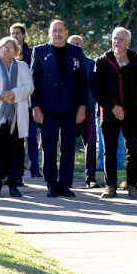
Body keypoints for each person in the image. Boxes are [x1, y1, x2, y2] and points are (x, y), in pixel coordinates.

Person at [30, 20, 89, 198]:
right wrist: (36, 107)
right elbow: (34, 81)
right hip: (47, 108)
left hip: (71, 108)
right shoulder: (39, 51)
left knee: (69, 147)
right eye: (54, 30)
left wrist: (82, 107)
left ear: (66, 32)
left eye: (61, 30)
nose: (57, 33)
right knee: (48, 147)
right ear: (49, 32)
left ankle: (65, 184)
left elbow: (82, 82)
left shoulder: (76, 52)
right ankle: (51, 183)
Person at [91, 27, 137, 198]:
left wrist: (126, 65)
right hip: (110, 112)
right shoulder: (102, 61)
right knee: (109, 148)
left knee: (133, 150)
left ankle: (132, 185)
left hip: (132, 112)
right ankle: (110, 185)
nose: (118, 42)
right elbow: (96, 88)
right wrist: (112, 107)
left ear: (128, 42)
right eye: (115, 38)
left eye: (122, 39)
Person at [0, 37, 35, 197]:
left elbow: (29, 87)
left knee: (15, 153)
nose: (8, 49)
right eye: (4, 46)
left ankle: (13, 186)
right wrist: (0, 95)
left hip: (17, 117)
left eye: (11, 47)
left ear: (16, 50)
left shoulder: (23, 67)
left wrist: (13, 94)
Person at [69, 34, 100, 189]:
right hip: (68, 109)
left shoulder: (90, 63)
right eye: (73, 44)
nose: (76, 46)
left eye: (78, 43)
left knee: (90, 142)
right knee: (66, 143)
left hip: (87, 107)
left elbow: (94, 86)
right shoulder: (64, 63)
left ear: (83, 46)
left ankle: (91, 176)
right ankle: (66, 177)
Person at [11, 22, 40, 178]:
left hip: (29, 100)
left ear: (23, 35)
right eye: (12, 33)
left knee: (31, 136)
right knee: (16, 137)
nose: (15, 36)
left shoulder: (33, 53)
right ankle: (18, 170)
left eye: (17, 33)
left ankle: (35, 168)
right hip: (12, 101)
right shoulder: (7, 52)